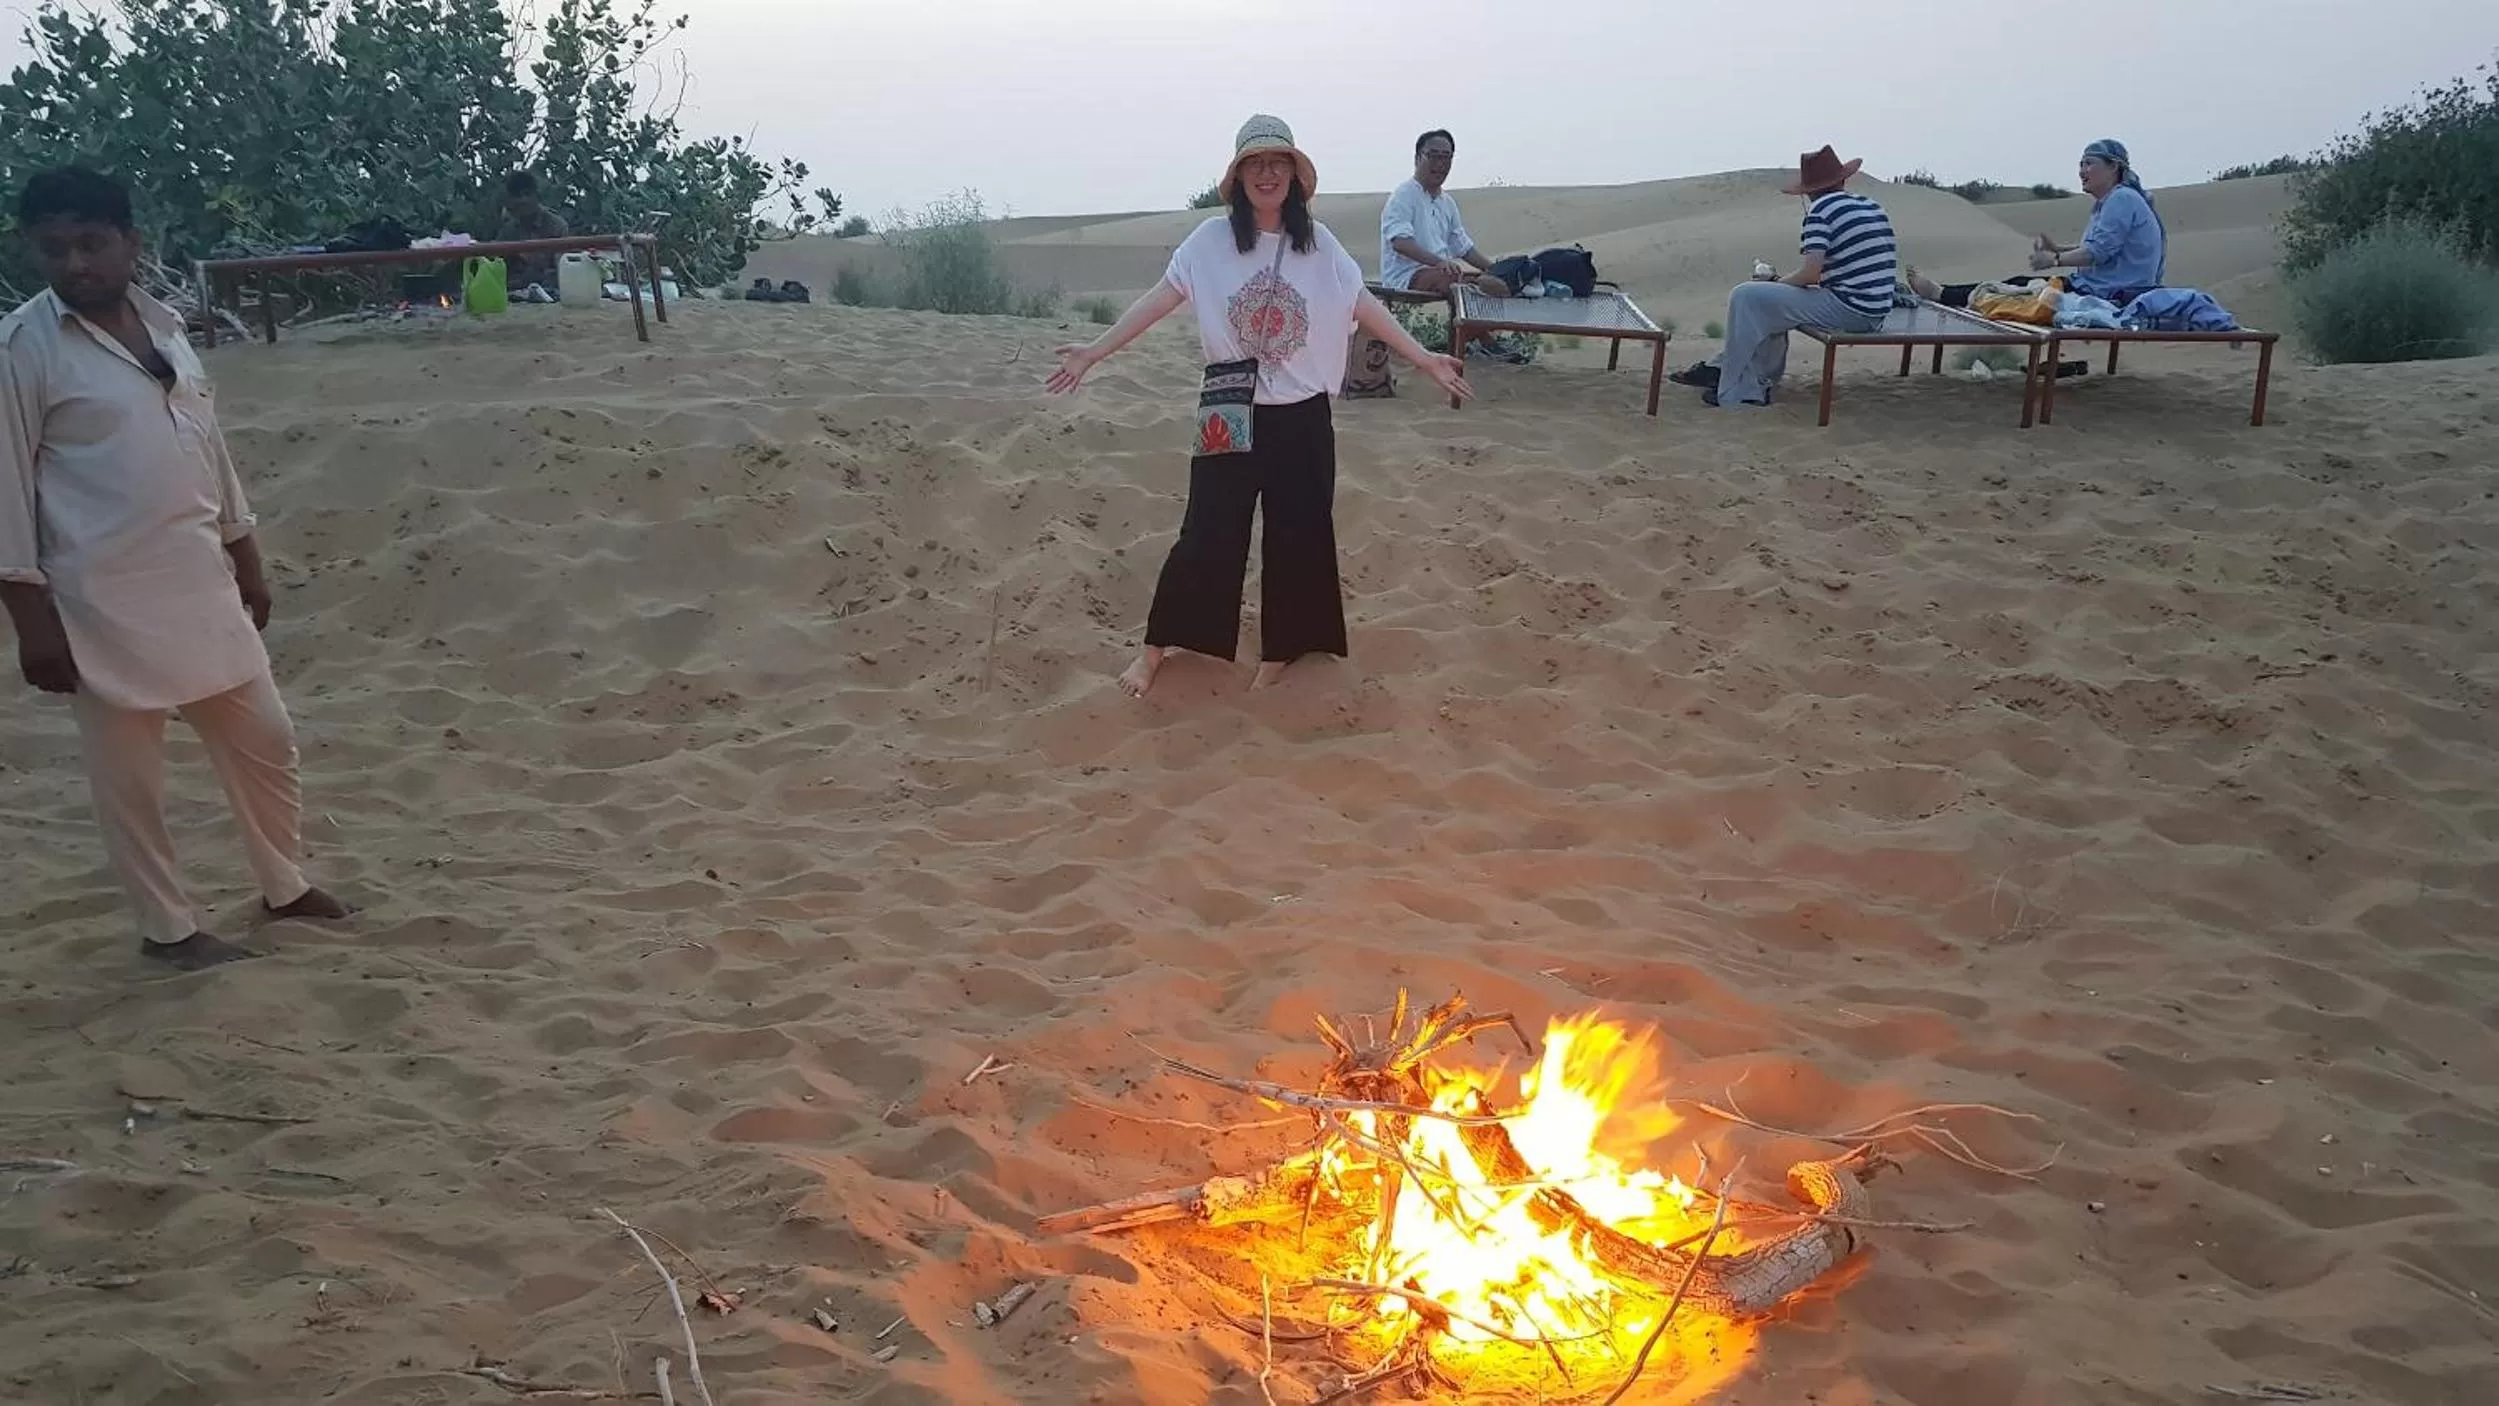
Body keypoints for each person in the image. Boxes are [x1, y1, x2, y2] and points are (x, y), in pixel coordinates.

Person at [1, 167, 352, 970]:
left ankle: (285, 884)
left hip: (199, 580)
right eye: (54, 249)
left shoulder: (166, 329)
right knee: (132, 782)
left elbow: (209, 451)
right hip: (98, 601)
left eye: (91, 244)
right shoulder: (22, 349)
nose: (74, 265)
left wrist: (246, 555)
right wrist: (31, 621)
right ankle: (169, 931)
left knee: (266, 739)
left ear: (130, 242)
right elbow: (4, 489)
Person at [1048, 116, 1471, 697]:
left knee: (1301, 534)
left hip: (1301, 414)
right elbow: (1159, 298)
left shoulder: (1319, 245)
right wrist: (1096, 351)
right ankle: (1156, 649)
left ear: (1294, 176)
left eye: (1278, 163)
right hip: (1229, 405)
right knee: (1206, 531)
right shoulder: (1208, 243)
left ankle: (1284, 651)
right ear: (1239, 175)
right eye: (1255, 163)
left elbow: (1362, 303)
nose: (1267, 174)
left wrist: (1424, 358)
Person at [1672, 146, 1897, 408]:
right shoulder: (1871, 205)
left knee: (1746, 296)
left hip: (1851, 309)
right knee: (1769, 303)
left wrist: (1776, 284)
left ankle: (1740, 390)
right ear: (1842, 180)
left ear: (1809, 190)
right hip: (1875, 311)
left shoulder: (1821, 211)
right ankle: (1732, 372)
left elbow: (1811, 274)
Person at [1910, 139, 2167, 309]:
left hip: (2111, 295)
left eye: (2090, 164)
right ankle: (1942, 293)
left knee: (2016, 290)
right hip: (2103, 288)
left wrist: (2054, 261)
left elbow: (2098, 253)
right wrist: (2059, 250)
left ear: (2114, 168)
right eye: (2080, 164)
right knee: (2018, 285)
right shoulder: (2115, 200)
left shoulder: (2122, 199)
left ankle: (1941, 295)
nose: (2081, 171)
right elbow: (2103, 250)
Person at [1378, 129, 1527, 362]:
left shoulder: (1447, 203)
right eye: (1434, 155)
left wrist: (1496, 269)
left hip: (1442, 273)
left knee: (1493, 283)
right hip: (1407, 275)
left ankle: (1458, 343)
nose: (1440, 163)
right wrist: (1440, 262)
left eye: (1446, 157)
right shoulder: (1403, 196)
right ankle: (1486, 344)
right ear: (1418, 158)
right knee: (1462, 285)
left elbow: (1463, 247)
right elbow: (1400, 243)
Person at [495, 169, 570, 298]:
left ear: (536, 196)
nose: (523, 200)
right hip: (513, 296)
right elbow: (496, 267)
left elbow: (563, 271)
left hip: (551, 295)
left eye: (527, 194)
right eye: (517, 196)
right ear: (510, 200)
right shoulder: (508, 230)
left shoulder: (557, 226)